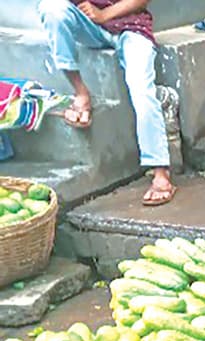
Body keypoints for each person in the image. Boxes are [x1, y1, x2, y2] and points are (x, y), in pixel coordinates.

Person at [38, 0, 176, 206]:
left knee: (141, 88)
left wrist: (105, 14)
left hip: (133, 29)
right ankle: (81, 93)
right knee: (51, 8)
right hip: (92, 28)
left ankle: (160, 171)